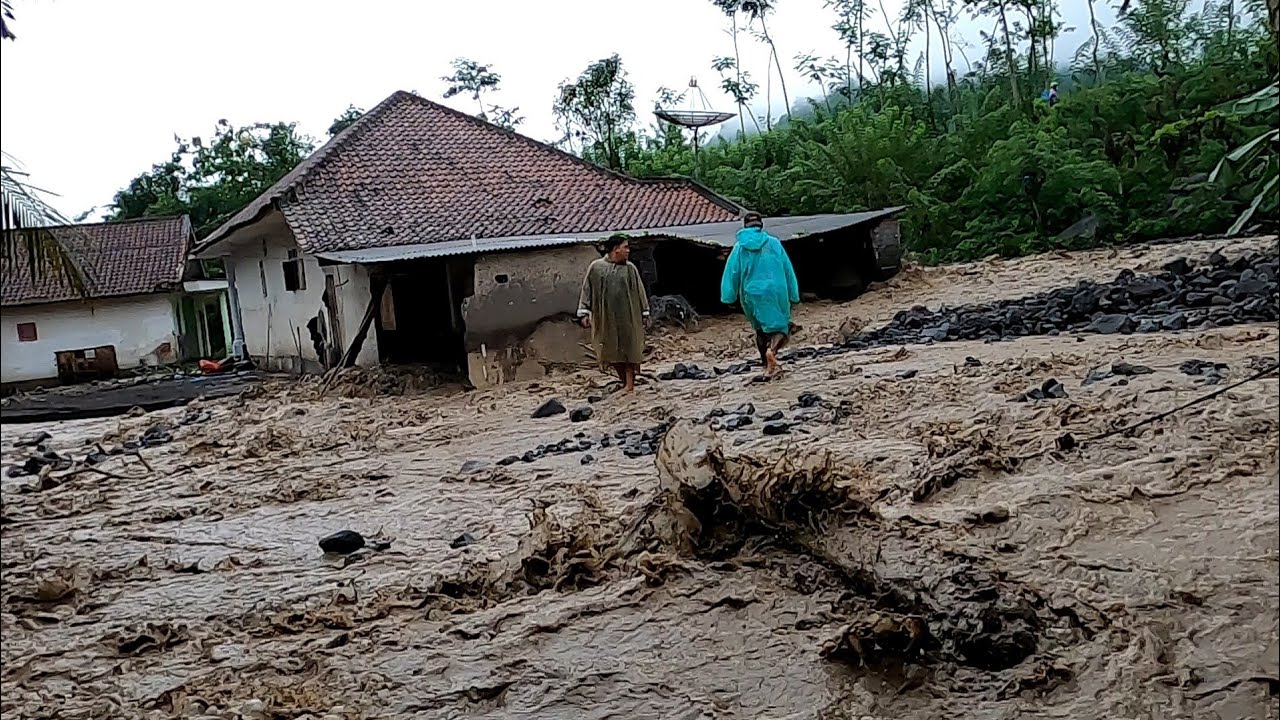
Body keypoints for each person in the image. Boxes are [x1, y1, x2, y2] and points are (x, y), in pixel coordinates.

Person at [719, 212, 800, 378]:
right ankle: (772, 352)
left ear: (745, 226)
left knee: (760, 330)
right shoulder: (774, 243)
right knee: (780, 327)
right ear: (761, 225)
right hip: (776, 290)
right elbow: (788, 270)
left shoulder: (739, 248)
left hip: (751, 293)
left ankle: (766, 366)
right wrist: (794, 295)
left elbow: (731, 273)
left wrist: (728, 297)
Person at [578, 235, 651, 393]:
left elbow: (640, 291)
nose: (628, 251)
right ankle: (624, 381)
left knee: (630, 349)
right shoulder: (596, 268)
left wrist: (645, 313)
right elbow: (586, 290)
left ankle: (630, 385)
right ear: (616, 249)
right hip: (606, 318)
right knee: (610, 351)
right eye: (625, 247)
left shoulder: (630, 269)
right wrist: (584, 312)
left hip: (629, 316)